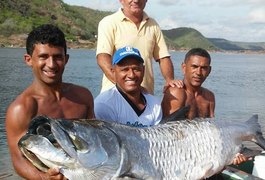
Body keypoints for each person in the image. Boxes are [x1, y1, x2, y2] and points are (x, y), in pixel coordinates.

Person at [5, 24, 95, 180]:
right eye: (43, 57)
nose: (52, 64)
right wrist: (44, 177)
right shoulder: (21, 108)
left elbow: (94, 140)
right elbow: (18, 159)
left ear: (66, 59)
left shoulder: (83, 97)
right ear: (28, 60)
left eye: (58, 57)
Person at [162, 48, 247, 168]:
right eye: (194, 66)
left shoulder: (209, 97)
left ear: (209, 70)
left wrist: (232, 153)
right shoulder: (177, 93)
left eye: (203, 68)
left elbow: (214, 132)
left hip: (204, 157)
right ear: (184, 67)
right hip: (180, 160)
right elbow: (169, 137)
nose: (198, 72)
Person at [96, 0, 182, 95]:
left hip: (145, 96)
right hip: (114, 94)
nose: (136, 0)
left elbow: (163, 57)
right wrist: (125, 85)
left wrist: (170, 80)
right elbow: (102, 57)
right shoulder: (108, 22)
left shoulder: (153, 25)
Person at [94, 46, 162, 127]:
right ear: (113, 71)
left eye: (136, 69)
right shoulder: (104, 104)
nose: (131, 75)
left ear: (143, 70)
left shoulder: (155, 104)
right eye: (124, 69)